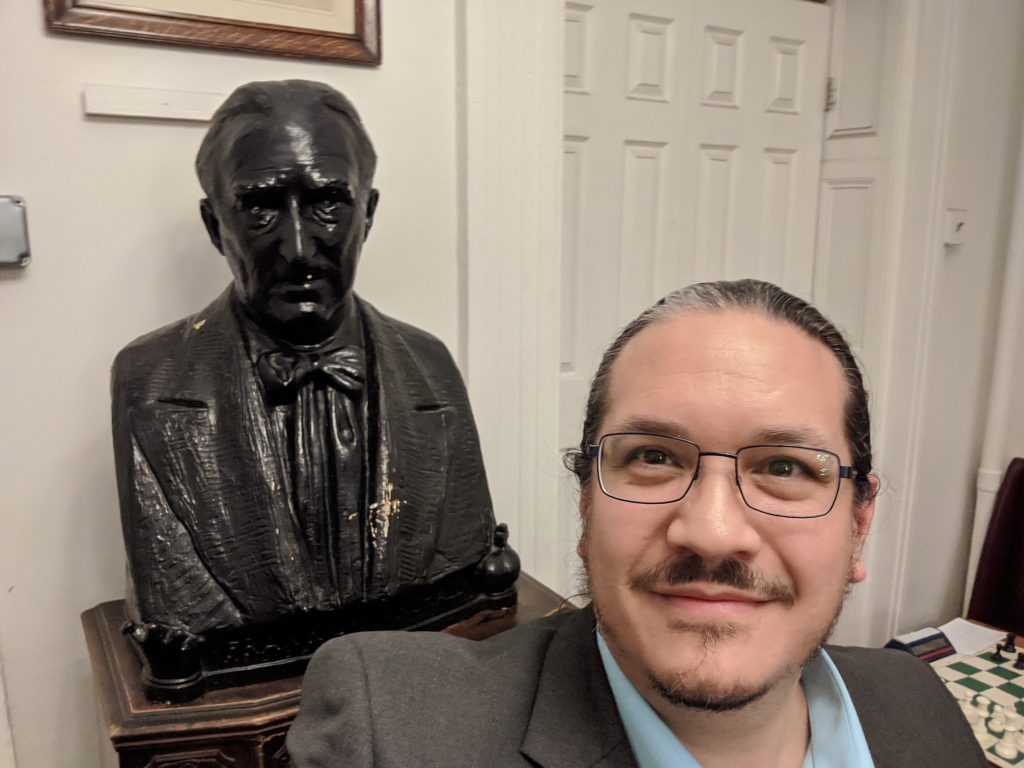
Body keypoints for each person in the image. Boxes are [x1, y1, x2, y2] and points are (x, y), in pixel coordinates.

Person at [286, 279, 984, 767]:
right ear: (586, 502)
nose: (711, 532)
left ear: (860, 525)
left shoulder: (917, 698)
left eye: (785, 468)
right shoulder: (392, 727)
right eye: (653, 457)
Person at [111, 80, 508, 667]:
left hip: (421, 665)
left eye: (328, 202)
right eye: (260, 206)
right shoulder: (149, 381)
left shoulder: (432, 368)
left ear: (367, 214)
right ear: (214, 223)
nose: (298, 248)